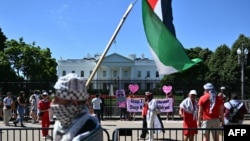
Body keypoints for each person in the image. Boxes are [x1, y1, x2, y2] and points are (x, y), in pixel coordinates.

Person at [51, 73, 102, 141]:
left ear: (74, 103)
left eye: (57, 100)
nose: (52, 103)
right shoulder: (63, 124)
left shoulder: (88, 131)